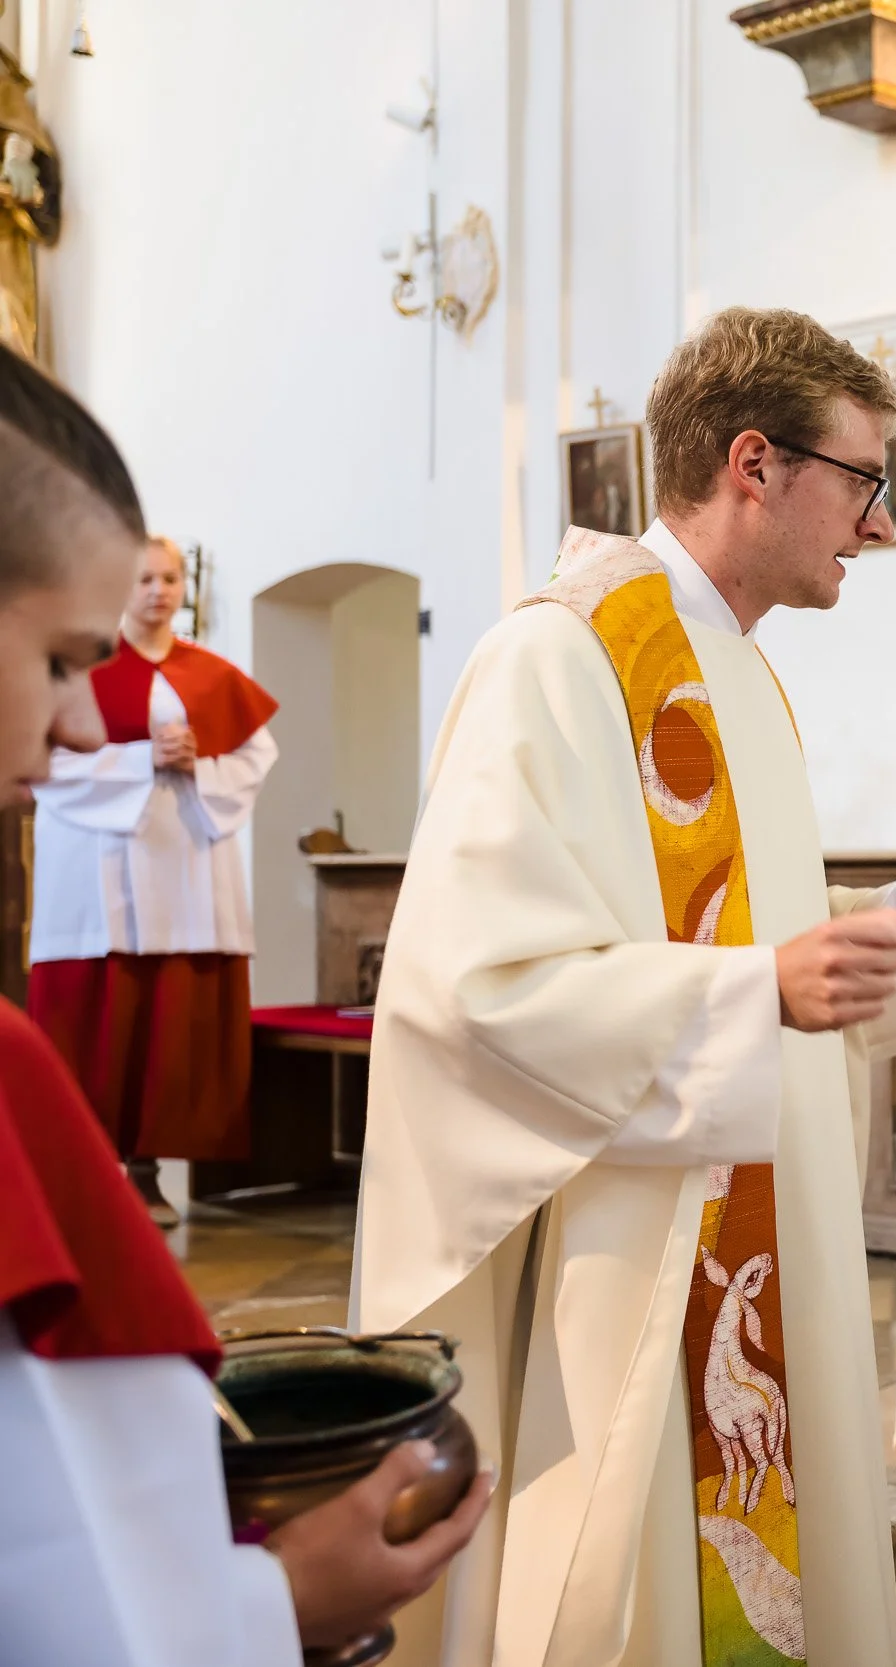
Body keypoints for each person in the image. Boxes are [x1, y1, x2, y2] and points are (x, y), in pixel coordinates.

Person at [349, 307, 896, 1667]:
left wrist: (891, 927)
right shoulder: (558, 653)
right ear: (757, 464)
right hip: (636, 1238)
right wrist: (754, 986)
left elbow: (731, 937)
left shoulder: (738, 671)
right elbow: (477, 984)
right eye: (867, 482)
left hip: (753, 1216)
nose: (880, 526)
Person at [0, 333, 485, 1663]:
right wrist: (274, 1603)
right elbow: (62, 1553)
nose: (84, 718)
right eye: (56, 659)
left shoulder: (211, 684)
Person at [27, 532, 277, 1226]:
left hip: (186, 871)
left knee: (171, 1026)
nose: (159, 591)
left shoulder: (212, 673)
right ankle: (84, 1168)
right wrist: (142, 762)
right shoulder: (76, 671)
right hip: (101, 873)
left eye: (169, 579)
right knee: (98, 1021)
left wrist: (200, 762)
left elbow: (254, 759)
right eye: (145, 579)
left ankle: (146, 1170)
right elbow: (41, 762)